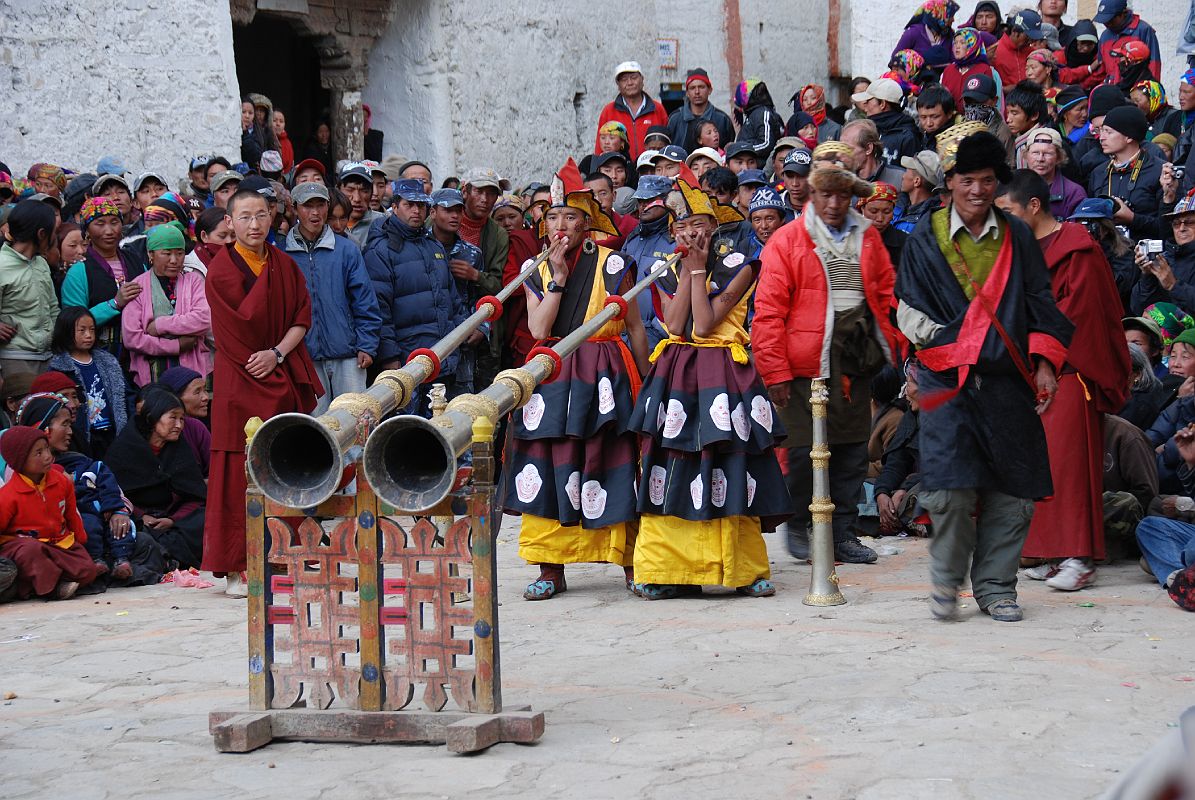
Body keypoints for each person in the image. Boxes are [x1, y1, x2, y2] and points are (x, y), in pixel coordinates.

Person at [894, 126, 1073, 622]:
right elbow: (906, 308)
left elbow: (1041, 302)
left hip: (1007, 381)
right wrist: (951, 343)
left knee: (1013, 492)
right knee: (948, 491)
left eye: (988, 180)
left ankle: (996, 588)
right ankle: (948, 583)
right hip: (945, 382)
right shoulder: (924, 240)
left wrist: (1044, 363)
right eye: (967, 179)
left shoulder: (1017, 235)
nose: (978, 190)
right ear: (949, 182)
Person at [627, 169, 790, 600]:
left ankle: (742, 568)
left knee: (729, 466)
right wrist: (685, 272)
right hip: (679, 376)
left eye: (698, 224)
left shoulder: (741, 265)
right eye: (680, 226)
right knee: (673, 467)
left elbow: (705, 323)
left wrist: (698, 271)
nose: (689, 233)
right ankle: (667, 569)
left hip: (724, 375)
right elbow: (677, 324)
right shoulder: (668, 269)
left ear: (715, 225)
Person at [505, 158, 648, 600]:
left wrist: (647, 381)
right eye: (552, 216)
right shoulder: (537, 268)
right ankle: (551, 567)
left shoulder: (614, 263)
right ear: (541, 221)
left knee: (614, 460)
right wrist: (559, 279)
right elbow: (541, 331)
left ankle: (630, 562)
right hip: (554, 373)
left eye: (571, 216)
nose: (560, 224)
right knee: (550, 464)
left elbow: (637, 326)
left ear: (588, 222)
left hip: (606, 373)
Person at [754, 161, 901, 565]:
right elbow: (767, 312)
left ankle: (842, 533)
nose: (835, 203)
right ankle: (801, 523)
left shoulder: (867, 236)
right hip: (803, 360)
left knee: (852, 449)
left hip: (854, 356)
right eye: (826, 194)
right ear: (812, 195)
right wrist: (775, 370)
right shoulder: (786, 240)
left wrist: (891, 342)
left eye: (842, 195)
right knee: (804, 451)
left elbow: (886, 292)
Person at [995, 169, 1130, 591]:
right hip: (1030, 370)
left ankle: (1079, 557)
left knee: (1068, 465)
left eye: (1007, 212)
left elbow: (1079, 318)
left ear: (1033, 206)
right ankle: (1051, 553)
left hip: (1071, 372)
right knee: (1039, 464)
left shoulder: (1077, 250)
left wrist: (1047, 363)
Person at [203, 188, 321, 597]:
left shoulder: (285, 266)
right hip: (240, 379)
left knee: (285, 465)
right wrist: (265, 359)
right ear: (230, 223)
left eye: (261, 216)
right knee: (237, 470)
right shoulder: (220, 271)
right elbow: (233, 337)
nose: (254, 225)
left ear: (272, 218)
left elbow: (302, 318)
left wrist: (277, 353)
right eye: (245, 217)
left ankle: (286, 554)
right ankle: (238, 568)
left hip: (279, 369)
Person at [366, 179, 466, 411]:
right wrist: (389, 357)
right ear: (395, 206)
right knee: (408, 430)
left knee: (443, 427)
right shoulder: (381, 250)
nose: (416, 211)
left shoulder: (433, 245)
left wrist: (460, 334)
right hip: (406, 361)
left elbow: (451, 298)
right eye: (409, 204)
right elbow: (379, 309)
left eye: (421, 205)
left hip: (442, 356)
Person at [283, 181, 381, 415]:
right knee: (317, 427)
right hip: (305, 355)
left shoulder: (347, 249)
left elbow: (364, 301)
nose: (315, 213)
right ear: (295, 208)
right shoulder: (283, 254)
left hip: (348, 352)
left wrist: (366, 345)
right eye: (308, 206)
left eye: (320, 205)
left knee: (356, 422)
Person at [105, 388, 205, 571]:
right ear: (153, 417)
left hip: (174, 520)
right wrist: (142, 515)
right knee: (130, 532)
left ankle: (168, 557)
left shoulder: (179, 448)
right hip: (140, 519)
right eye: (173, 417)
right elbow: (112, 493)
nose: (179, 425)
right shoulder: (125, 448)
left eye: (182, 419)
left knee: (206, 520)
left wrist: (173, 520)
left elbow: (195, 496)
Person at [0, 426, 98, 600]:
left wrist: (81, 542)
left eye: (46, 448)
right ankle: (52, 590)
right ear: (20, 461)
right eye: (38, 453)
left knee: (87, 570)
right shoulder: (8, 495)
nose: (47, 456)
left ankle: (31, 585)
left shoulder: (61, 482)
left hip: (57, 542)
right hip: (23, 546)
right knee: (31, 551)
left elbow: (71, 515)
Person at [121, 224, 212, 387]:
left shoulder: (194, 281)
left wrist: (159, 325)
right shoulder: (138, 286)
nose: (174, 260)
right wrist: (176, 345)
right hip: (152, 373)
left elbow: (204, 319)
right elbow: (132, 338)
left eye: (179, 253)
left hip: (193, 371)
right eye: (166, 253)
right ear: (151, 254)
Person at [46, 307, 130, 458]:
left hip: (111, 433)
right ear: (66, 332)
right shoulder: (59, 367)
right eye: (82, 330)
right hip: (81, 436)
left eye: (92, 330)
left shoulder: (108, 361)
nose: (89, 335)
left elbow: (124, 395)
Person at [459, 168, 511, 386]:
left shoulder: (498, 234)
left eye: (492, 193)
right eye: (479, 192)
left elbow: (500, 285)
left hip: (485, 326)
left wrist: (475, 275)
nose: (485, 199)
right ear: (465, 192)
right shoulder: (442, 222)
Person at [0, 200, 59, 380]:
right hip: (13, 359)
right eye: (53, 233)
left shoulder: (41, 263)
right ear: (42, 234)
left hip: (47, 358)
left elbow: (53, 307)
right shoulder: (2, 266)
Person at [1089, 105, 1164, 242]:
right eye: (1101, 131)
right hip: (1108, 255)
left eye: (1108, 132)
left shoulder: (1159, 170)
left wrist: (1132, 218)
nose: (1101, 137)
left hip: (1145, 256)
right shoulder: (1098, 173)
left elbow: (1170, 228)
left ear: (1129, 137)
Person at [621, 175, 675, 350]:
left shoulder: (675, 240)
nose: (643, 205)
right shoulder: (633, 238)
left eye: (650, 199)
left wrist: (657, 330)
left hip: (657, 336)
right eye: (640, 200)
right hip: (624, 330)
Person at [1131, 193, 1195, 315]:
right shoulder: (1164, 258)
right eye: (1176, 223)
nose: (1181, 228)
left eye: (1189, 222)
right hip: (1162, 331)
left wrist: (1174, 286)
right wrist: (1147, 275)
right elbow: (1138, 308)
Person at [594, 61, 669, 160]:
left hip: (651, 168)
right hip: (619, 169)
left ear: (642, 80)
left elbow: (667, 143)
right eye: (624, 79)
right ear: (618, 84)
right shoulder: (609, 111)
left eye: (634, 78)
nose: (629, 83)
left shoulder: (657, 109)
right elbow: (600, 147)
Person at [850, 78, 920, 169]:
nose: (865, 108)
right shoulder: (872, 130)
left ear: (882, 104)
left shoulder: (908, 136)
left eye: (868, 101)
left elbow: (911, 176)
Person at [158, 366, 212, 478]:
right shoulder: (156, 430)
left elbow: (214, 472)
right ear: (174, 398)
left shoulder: (197, 428)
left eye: (205, 390)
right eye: (197, 392)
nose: (206, 397)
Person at [1095, 0, 1162, 87]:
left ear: (1123, 13)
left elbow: (1154, 65)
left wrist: (1150, 92)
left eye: (1110, 20)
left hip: (1137, 93)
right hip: (1113, 93)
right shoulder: (1105, 36)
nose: (1107, 24)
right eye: (1104, 21)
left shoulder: (1143, 30)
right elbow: (1101, 71)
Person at [1024, 127, 1087, 218]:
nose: (1040, 159)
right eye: (1035, 153)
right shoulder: (1014, 188)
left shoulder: (1074, 193)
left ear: (1059, 157)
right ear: (1026, 156)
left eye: (1047, 153)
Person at [941, 27, 1000, 113]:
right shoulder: (948, 70)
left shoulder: (984, 69)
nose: (957, 46)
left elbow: (991, 101)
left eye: (962, 42)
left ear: (973, 45)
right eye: (955, 43)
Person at [891, 0, 960, 68]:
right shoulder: (913, 33)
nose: (953, 19)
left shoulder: (949, 35)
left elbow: (955, 61)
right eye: (950, 16)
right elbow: (895, 61)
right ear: (938, 15)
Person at [841, 119, 905, 185]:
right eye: (841, 149)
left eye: (848, 149)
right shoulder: (843, 181)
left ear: (868, 148)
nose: (840, 155)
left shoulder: (900, 178)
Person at [733, 79, 783, 163]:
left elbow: (766, 144)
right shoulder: (754, 114)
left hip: (760, 168)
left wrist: (741, 149)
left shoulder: (762, 113)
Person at [894, 150, 944, 234]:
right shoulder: (896, 202)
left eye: (906, 171)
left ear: (916, 181)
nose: (903, 176)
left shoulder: (930, 223)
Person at [992, 8, 1043, 89]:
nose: (1031, 41)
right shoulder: (994, 53)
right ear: (1015, 32)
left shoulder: (1033, 53)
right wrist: (1005, 90)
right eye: (1028, 37)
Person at [338, 164, 384, 250]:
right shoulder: (326, 224)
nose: (357, 199)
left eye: (364, 191)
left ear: (371, 193)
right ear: (338, 190)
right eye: (350, 190)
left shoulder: (383, 223)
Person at [860, 182, 907, 267]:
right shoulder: (852, 238)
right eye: (873, 211)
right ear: (863, 209)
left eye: (887, 212)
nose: (880, 219)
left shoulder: (905, 242)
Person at [1006, 80, 1050, 168]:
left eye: (1014, 113)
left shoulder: (1050, 145)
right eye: (1008, 113)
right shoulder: (1017, 140)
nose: (1008, 119)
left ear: (1034, 115)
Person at [184, 206, 235, 279]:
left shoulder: (240, 259)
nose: (229, 241)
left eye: (233, 236)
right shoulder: (190, 268)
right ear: (204, 236)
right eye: (222, 236)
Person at [915, 86, 960, 154]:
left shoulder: (956, 142)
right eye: (923, 117)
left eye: (935, 117)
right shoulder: (921, 135)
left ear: (949, 114)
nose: (929, 123)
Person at [747, 187, 788, 255]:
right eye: (757, 220)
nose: (764, 226)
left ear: (782, 219)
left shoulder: (794, 245)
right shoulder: (745, 246)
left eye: (769, 219)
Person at [781, 149, 813, 215]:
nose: (795, 184)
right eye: (790, 176)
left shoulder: (823, 206)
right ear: (783, 176)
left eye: (801, 176)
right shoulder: (774, 203)